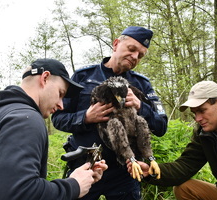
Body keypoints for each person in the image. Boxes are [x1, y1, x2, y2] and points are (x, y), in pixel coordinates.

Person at [0, 58, 108, 200]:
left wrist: (75, 179)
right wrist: (74, 186)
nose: (61, 105)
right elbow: (18, 194)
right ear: (45, 78)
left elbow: (6, 183)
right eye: (60, 93)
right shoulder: (25, 120)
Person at [52, 26, 168, 200]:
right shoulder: (83, 77)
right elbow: (58, 119)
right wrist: (85, 117)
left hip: (126, 171)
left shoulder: (142, 84)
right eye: (131, 49)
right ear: (116, 44)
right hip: (85, 167)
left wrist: (140, 107)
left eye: (141, 55)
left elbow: (161, 126)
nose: (135, 56)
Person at [127, 80, 217, 199]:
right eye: (194, 113)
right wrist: (150, 172)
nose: (198, 119)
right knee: (184, 188)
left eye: (202, 110)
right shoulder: (204, 133)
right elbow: (185, 166)